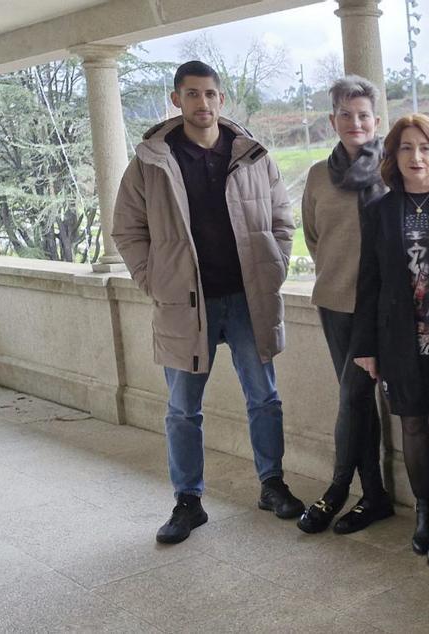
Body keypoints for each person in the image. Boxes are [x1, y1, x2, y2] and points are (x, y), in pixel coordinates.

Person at [113, 60, 302, 545]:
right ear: (176, 100)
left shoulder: (253, 155)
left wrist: (275, 265)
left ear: (222, 99)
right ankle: (188, 501)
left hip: (246, 299)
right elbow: (128, 230)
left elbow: (283, 217)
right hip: (185, 304)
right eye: (192, 94)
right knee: (182, 409)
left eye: (210, 94)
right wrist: (154, 281)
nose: (203, 103)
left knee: (264, 397)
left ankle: (272, 484)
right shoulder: (151, 163)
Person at [349, 114, 429, 569]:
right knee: (413, 428)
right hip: (399, 341)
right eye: (406, 148)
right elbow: (368, 282)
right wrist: (365, 346)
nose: (416, 156)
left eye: (424, 147)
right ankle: (421, 509)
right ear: (394, 156)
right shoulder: (380, 211)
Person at [296, 76, 392, 535]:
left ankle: (336, 489)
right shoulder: (318, 175)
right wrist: (339, 275)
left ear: (376, 121)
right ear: (333, 119)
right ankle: (374, 496)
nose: (355, 122)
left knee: (352, 396)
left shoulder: (393, 169)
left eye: (364, 115)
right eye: (346, 114)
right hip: (335, 302)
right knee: (359, 401)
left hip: (384, 307)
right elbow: (314, 237)